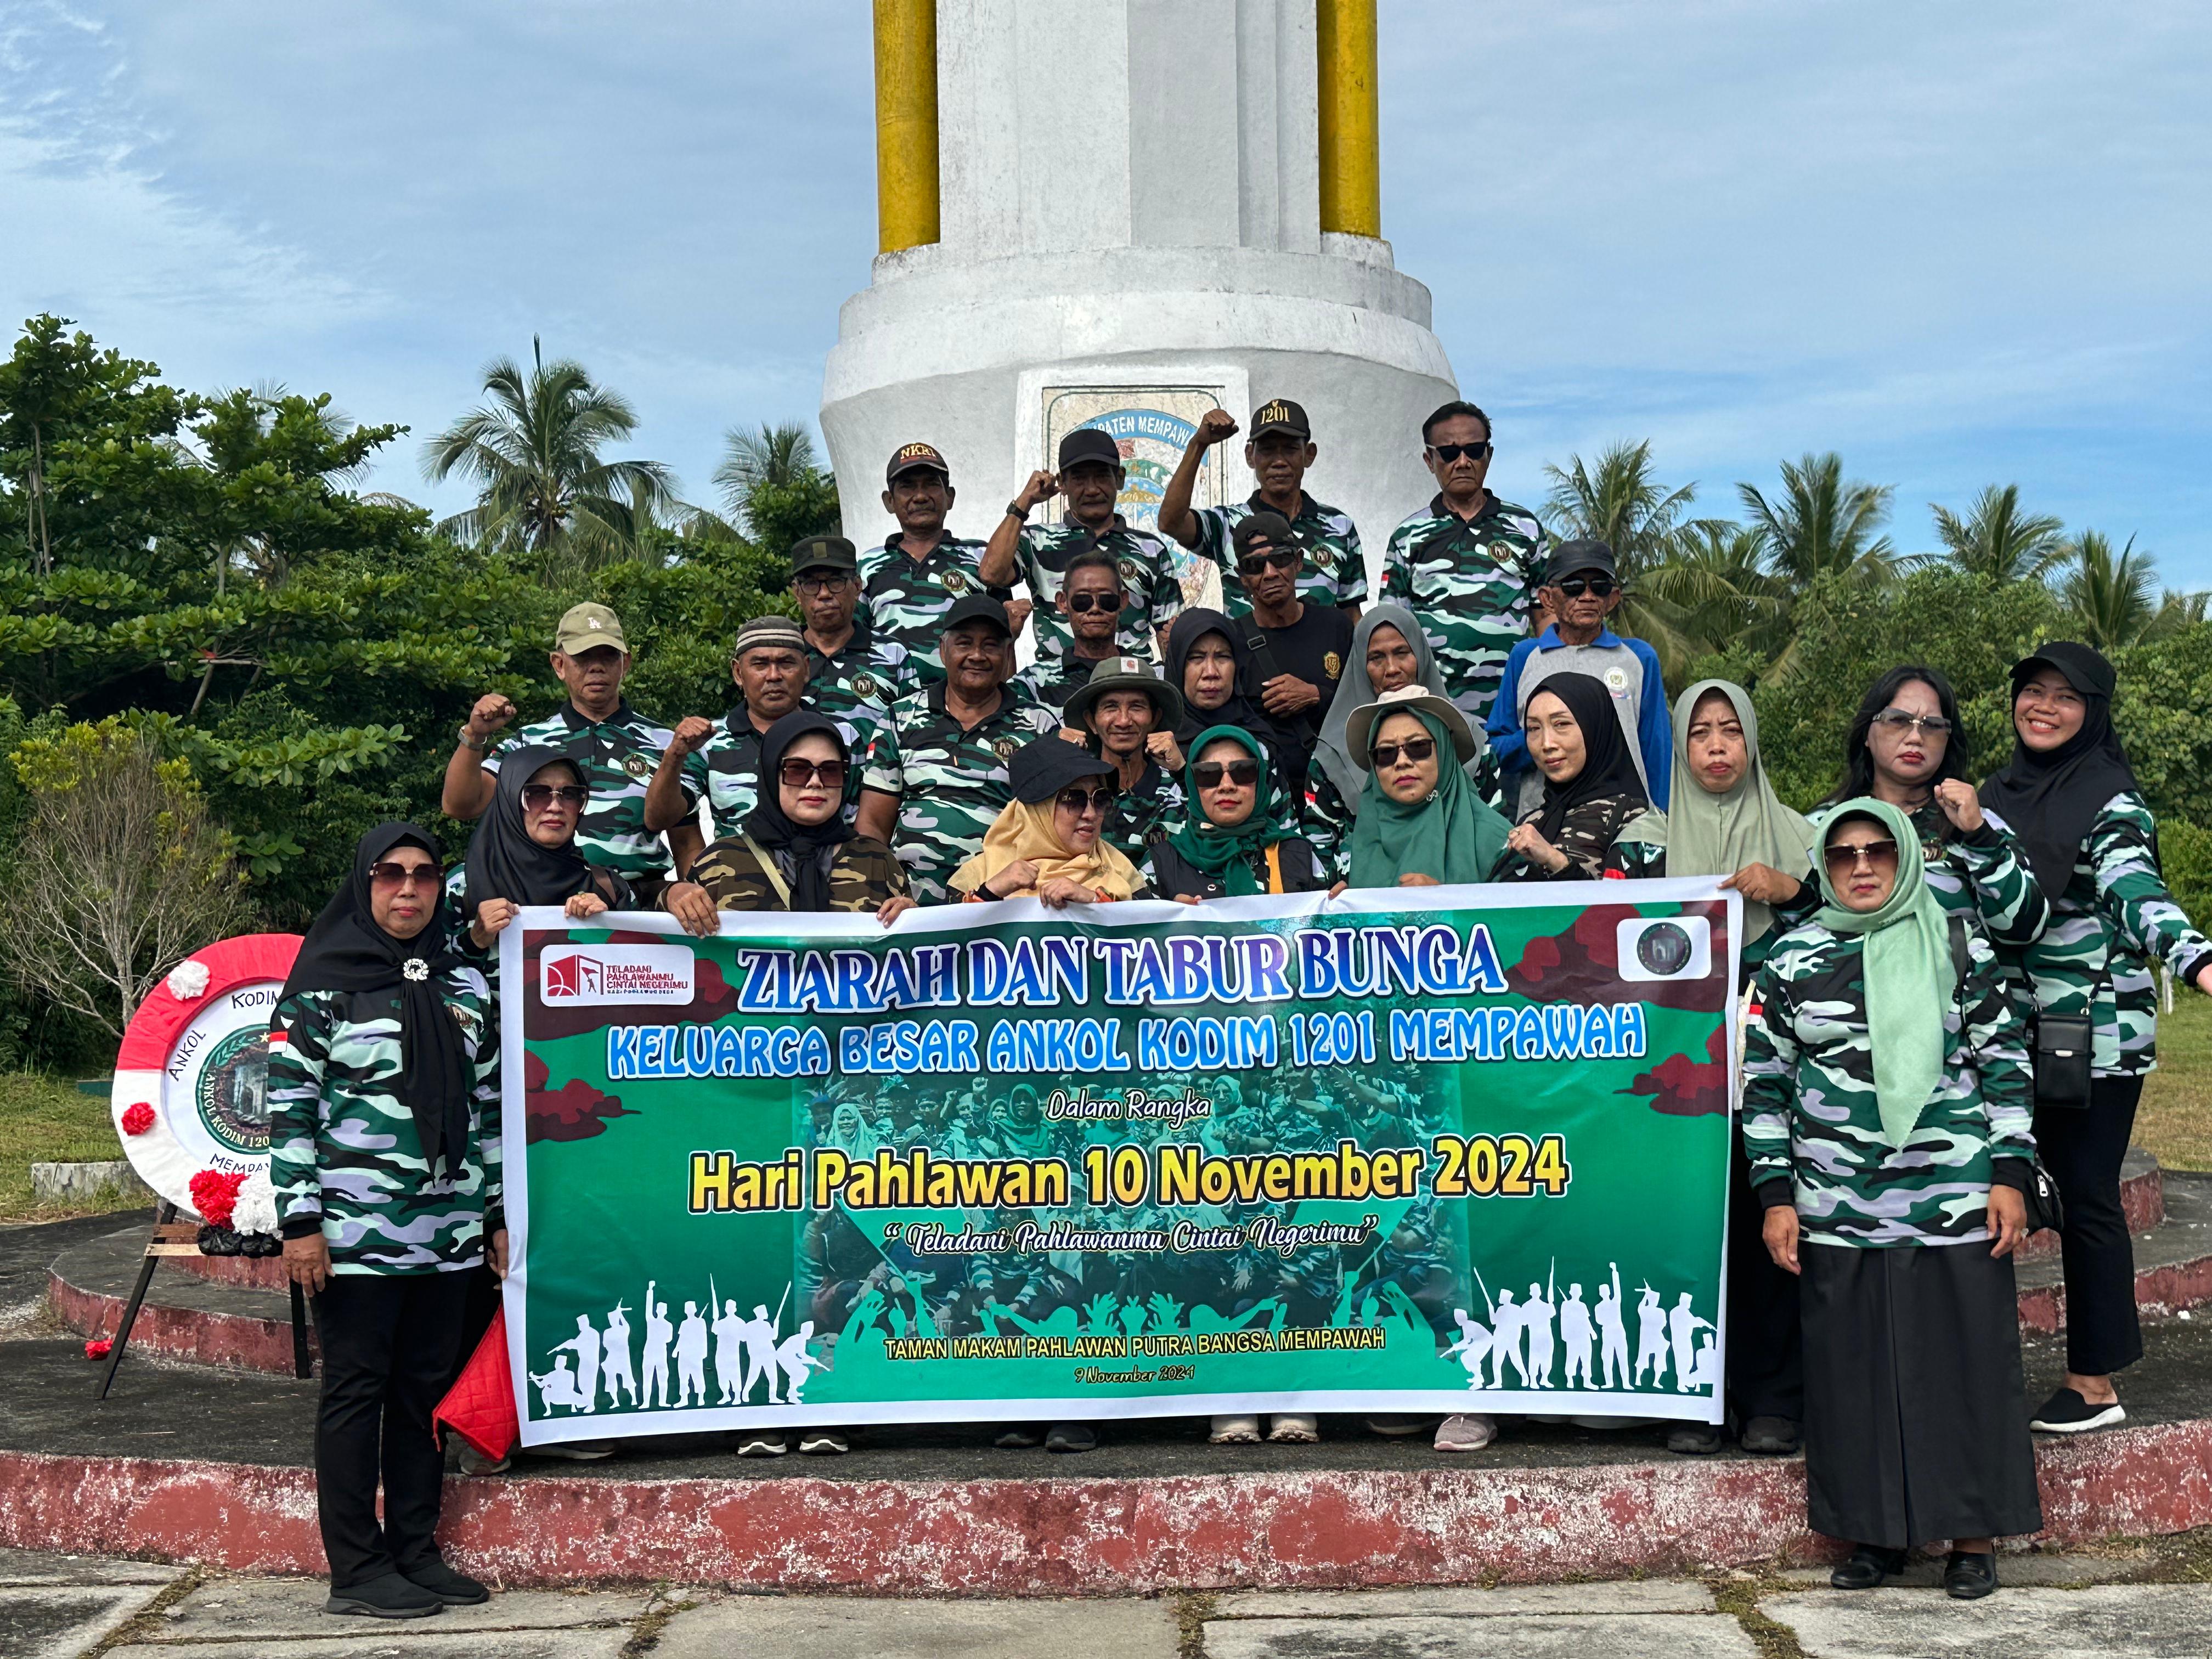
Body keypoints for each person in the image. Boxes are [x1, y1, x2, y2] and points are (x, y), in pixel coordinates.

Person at [1745, 799, 2041, 1599]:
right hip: (1837, 1201)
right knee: (1853, 1374)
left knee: (1965, 1368)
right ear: (1825, 868)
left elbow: (2006, 1062)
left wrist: (2011, 1175)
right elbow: (1765, 1084)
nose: (1863, 865)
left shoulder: (1954, 940)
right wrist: (1776, 1194)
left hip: (1953, 1197)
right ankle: (1875, 1537)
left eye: (1878, 849)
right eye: (1842, 856)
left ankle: (1972, 1537)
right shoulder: (1793, 958)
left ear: (1905, 852)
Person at [268, 825, 501, 1620]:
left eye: (424, 875)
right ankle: (357, 1568)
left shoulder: (465, 984)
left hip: (449, 1235)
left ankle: (414, 1549)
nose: (409, 890)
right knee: (357, 1394)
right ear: (364, 885)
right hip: (354, 1239)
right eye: (390, 875)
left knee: (422, 1397)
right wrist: (300, 1224)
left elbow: (490, 1109)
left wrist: (495, 1213)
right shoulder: (322, 987)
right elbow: (289, 1112)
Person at [1978, 642, 2212, 1435]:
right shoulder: (1996, 795)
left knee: (2085, 1196)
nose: (2043, 707)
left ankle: (2094, 1382)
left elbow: (2138, 891)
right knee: (2010, 1188)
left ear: (2095, 713)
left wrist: (2200, 960)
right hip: (2011, 1030)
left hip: (2095, 1036)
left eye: (2065, 697)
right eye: (2032, 692)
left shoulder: (2112, 803)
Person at [1606, 681, 1818, 1455]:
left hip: (1771, 1071)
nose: (1719, 747)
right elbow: (1605, 933)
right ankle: (1692, 1398)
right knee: (1685, 1227)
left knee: (1767, 1220)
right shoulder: (1644, 840)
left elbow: (1846, 925)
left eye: (1733, 732)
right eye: (1702, 734)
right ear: (1682, 749)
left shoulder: (1802, 839)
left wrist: (1790, 892)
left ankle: (1774, 1399)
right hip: (1670, 1074)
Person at [443, 602, 697, 905]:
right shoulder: (527, 743)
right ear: (559, 665)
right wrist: (474, 736)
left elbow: (686, 841)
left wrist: (696, 900)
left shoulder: (668, 744)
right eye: (583, 657)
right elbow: (461, 806)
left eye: (608, 656)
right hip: (546, 902)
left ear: (625, 663)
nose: (596, 667)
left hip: (639, 906)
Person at [1815, 665, 2048, 951]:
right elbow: (1796, 923)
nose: (1915, 737)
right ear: (1866, 733)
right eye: (1898, 720)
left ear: (1948, 739)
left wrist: (1979, 838)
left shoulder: (1972, 822)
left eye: (1933, 725)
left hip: (1950, 991)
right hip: (1840, 991)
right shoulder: (1821, 826)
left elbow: (2027, 929)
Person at [855, 596, 1060, 904]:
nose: (977, 655)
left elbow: (1050, 829)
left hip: (1003, 903)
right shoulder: (902, 717)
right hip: (907, 904)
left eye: (990, 645)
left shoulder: (1039, 725)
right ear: (942, 649)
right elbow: (872, 822)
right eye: (964, 644)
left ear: (1007, 654)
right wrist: (882, 891)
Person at [1378, 402, 1550, 743]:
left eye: (1474, 450)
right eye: (1448, 452)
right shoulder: (1408, 536)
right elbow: (1393, 630)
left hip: (1515, 713)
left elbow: (1546, 617)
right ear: (1430, 460)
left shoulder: (1525, 529)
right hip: (1434, 715)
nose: (1462, 462)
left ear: (1489, 454)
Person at [663, 712, 915, 933]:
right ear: (772, 775)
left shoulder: (877, 862)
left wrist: (914, 919)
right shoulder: (720, 862)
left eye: (830, 770)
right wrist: (671, 895)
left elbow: (913, 953)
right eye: (797, 770)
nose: (815, 782)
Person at [644, 616, 873, 855]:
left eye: (786, 663)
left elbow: (863, 824)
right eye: (760, 664)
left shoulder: (843, 737)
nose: (774, 676)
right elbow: (658, 820)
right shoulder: (708, 742)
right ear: (738, 673)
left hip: (829, 880)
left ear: (806, 669)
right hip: (740, 883)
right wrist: (674, 756)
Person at [1488, 540, 1670, 816]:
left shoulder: (1638, 658)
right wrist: (1548, 736)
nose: (1587, 596)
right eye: (1573, 587)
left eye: (1600, 587)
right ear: (1548, 598)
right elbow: (1497, 747)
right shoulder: (1526, 656)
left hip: (1622, 822)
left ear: (1614, 598)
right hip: (1541, 819)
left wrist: (1660, 824)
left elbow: (1656, 750)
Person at [1306, 602, 1483, 881]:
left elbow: (1493, 841)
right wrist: (1348, 889)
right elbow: (1319, 854)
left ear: (1422, 655)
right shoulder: (1332, 755)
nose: (1392, 669)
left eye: (1402, 653)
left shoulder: (1469, 738)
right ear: (1360, 667)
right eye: (1376, 658)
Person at [983, 426, 1184, 668]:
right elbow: (991, 573)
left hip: (1129, 682)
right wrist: (1024, 502)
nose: (1091, 489)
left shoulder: (1150, 550)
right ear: (1063, 484)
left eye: (1102, 476)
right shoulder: (1036, 541)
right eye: (1078, 479)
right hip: (1055, 684)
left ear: (1119, 478)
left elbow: (1171, 633)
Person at [1159, 399, 1367, 618]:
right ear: (1250, 456)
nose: (1279, 461)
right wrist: (1198, 445)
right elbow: (1170, 522)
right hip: (1250, 652)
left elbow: (1351, 614)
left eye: (1290, 449)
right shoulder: (1227, 523)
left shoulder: (1339, 526)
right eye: (1267, 451)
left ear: (1309, 454)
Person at [857, 442, 1023, 678]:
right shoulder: (867, 566)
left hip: (965, 705)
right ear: (889, 502)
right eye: (907, 487)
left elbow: (1003, 643)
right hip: (891, 706)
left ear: (950, 497)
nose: (921, 496)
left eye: (931, 485)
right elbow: (855, 643)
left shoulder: (982, 560)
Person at [459, 751, 630, 960]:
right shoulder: (460, 886)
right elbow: (424, 972)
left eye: (570, 794)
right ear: (510, 799)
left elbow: (647, 968)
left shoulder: (608, 889)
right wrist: (474, 940)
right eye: (538, 793)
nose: (555, 807)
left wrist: (609, 924)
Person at [1231, 512, 1353, 792]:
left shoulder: (1336, 626)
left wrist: (1315, 695)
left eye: (1281, 559)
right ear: (1243, 579)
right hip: (1266, 797)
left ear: (1298, 562)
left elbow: (1364, 705)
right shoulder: (1232, 641)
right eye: (1255, 565)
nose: (1270, 573)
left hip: (1335, 792)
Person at [949, 737, 1150, 906]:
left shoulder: (1119, 869)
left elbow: (1152, 942)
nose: (1091, 814)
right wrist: (990, 893)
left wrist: (1094, 902)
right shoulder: (979, 874)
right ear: (1036, 811)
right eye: (1074, 799)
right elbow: (946, 946)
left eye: (1100, 799)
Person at [1147, 725, 1324, 903]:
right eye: (1208, 774)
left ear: (1261, 781)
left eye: (1243, 771)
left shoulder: (1299, 854)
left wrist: (1342, 904)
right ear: (1193, 786)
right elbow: (1132, 925)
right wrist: (1173, 922)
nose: (1226, 785)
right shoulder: (1161, 863)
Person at [1499, 673, 1649, 882]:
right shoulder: (1532, 823)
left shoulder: (1633, 818)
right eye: (1534, 728)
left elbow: (1624, 909)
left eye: (1561, 724)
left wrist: (1554, 860)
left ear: (1595, 728)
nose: (1546, 743)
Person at [1060, 656, 1188, 864]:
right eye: (1110, 707)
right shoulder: (1074, 791)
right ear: (1091, 721)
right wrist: (1055, 764)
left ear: (1155, 719)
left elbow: (1216, 832)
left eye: (1137, 707)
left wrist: (1181, 771)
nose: (1124, 721)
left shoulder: (1179, 790)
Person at [1158, 609, 1294, 802]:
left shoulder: (1258, 746)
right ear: (1177, 666)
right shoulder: (1157, 751)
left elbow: (1282, 825)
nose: (1211, 672)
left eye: (1223, 657)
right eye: (1196, 658)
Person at [790, 533, 916, 726]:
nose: (824, 594)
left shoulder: (893, 656)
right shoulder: (784, 657)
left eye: (836, 581)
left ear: (857, 586)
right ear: (797, 593)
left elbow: (914, 733)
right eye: (811, 584)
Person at [1011, 547, 1133, 713]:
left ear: (1123, 601)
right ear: (1063, 603)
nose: (1095, 609)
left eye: (1107, 599)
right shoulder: (1034, 683)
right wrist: (1007, 640)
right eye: (1082, 600)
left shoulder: (1151, 677)